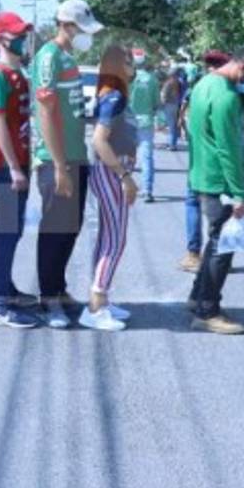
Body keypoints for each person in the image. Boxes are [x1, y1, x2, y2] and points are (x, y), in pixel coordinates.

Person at [186, 43, 244, 334]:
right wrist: (239, 193)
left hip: (202, 174)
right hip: (219, 180)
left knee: (214, 243)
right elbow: (229, 149)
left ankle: (198, 296)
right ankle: (207, 311)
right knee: (222, 247)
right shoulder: (226, 97)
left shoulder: (204, 84)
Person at [32, 0, 103, 328]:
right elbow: (45, 115)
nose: (86, 35)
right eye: (82, 29)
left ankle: (59, 290)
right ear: (66, 25)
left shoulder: (68, 57)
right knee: (54, 231)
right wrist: (59, 166)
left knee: (71, 229)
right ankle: (47, 299)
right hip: (55, 161)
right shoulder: (48, 58)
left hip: (77, 157)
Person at [0, 12, 38, 329]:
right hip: (8, 168)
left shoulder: (19, 73)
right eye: (17, 34)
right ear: (2, 38)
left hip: (22, 163)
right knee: (6, 232)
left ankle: (5, 286)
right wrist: (15, 167)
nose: (22, 39)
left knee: (14, 230)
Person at [81, 45, 139, 331]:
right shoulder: (113, 98)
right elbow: (99, 141)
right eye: (128, 61)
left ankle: (101, 299)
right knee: (115, 241)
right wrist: (124, 175)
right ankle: (96, 305)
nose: (133, 66)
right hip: (111, 172)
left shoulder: (115, 97)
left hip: (111, 171)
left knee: (108, 238)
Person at [177, 50, 229, 273]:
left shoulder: (198, 86)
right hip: (213, 160)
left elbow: (184, 111)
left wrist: (181, 123)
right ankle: (213, 254)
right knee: (216, 207)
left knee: (193, 202)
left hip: (198, 157)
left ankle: (195, 253)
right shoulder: (226, 88)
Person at [128, 49, 160, 203]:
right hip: (146, 122)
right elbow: (156, 103)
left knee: (127, 156)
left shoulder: (127, 78)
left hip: (128, 122)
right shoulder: (151, 79)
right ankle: (147, 190)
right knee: (146, 157)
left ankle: (125, 186)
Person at [161, 68, 182, 151]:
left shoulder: (168, 83)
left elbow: (164, 96)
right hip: (175, 104)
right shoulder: (178, 82)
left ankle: (172, 144)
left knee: (171, 126)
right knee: (173, 125)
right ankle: (173, 142)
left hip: (168, 105)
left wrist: (161, 104)